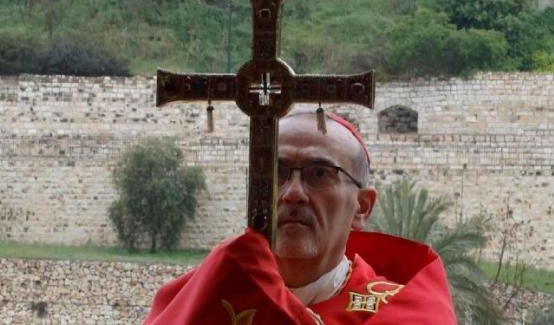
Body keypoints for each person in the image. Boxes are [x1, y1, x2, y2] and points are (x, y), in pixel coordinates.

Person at [143, 110, 457, 324]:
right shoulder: (201, 299)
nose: (292, 193)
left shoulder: (408, 315)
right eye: (277, 173)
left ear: (362, 207)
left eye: (319, 173)